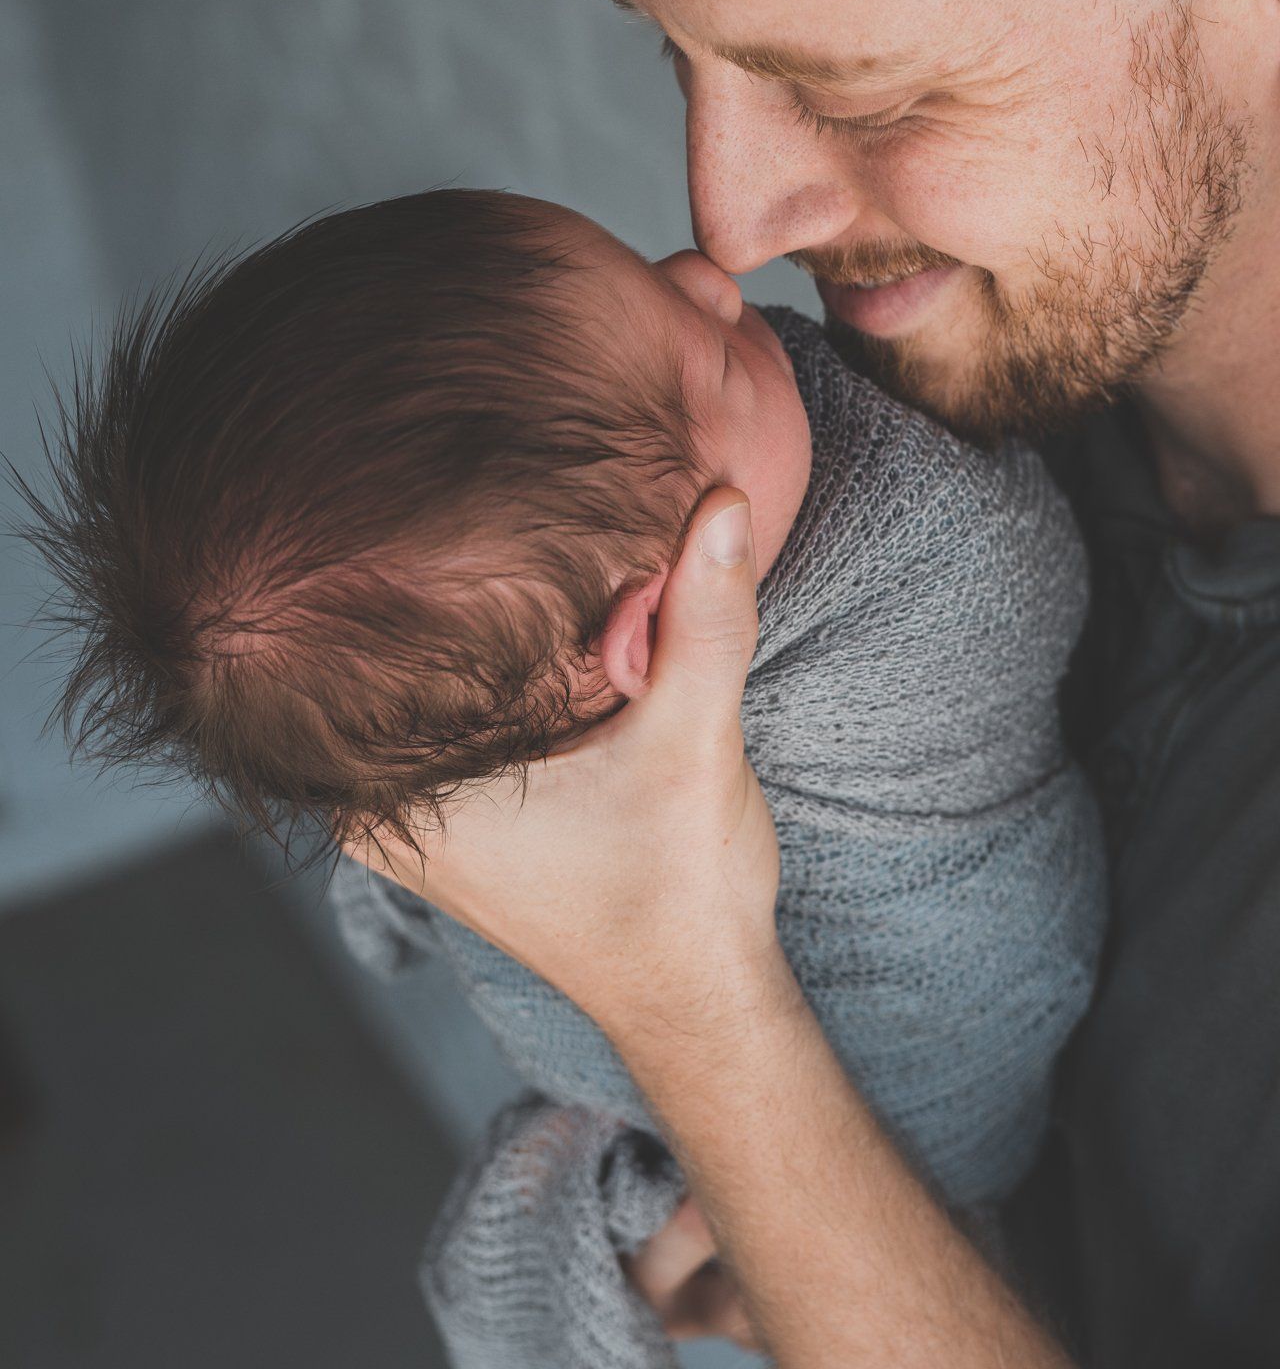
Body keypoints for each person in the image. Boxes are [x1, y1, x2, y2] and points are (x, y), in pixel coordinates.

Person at [347, 0, 1280, 1365]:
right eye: (673, 45)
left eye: (859, 83)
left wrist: (699, 1018)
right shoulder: (869, 434)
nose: (729, 218)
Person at [15, 185, 1101, 1364]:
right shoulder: (931, 566)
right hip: (914, 1101)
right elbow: (1020, 571)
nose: (713, 277)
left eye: (647, 269)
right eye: (721, 365)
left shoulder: (820, 549)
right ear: (662, 635)